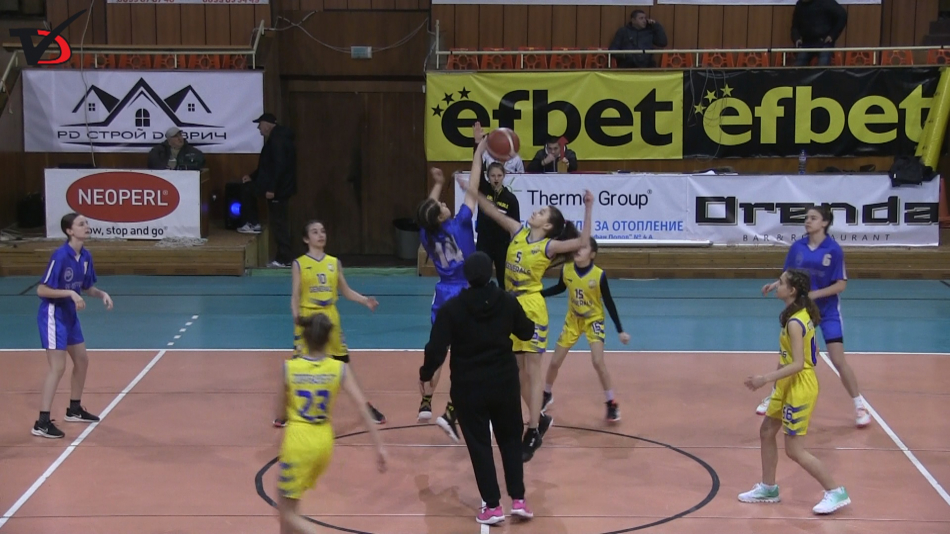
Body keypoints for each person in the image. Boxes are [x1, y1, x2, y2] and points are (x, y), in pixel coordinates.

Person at [472, 185, 594, 462]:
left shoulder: (548, 246)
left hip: (531, 308)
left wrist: (588, 207)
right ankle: (540, 418)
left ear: (547, 225)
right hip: (511, 305)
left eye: (541, 212)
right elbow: (492, 211)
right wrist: (472, 191)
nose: (535, 212)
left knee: (533, 370)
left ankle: (533, 430)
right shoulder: (518, 231)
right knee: (517, 373)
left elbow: (582, 241)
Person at [419, 251, 536, 526]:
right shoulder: (506, 301)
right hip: (504, 382)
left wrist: (425, 374)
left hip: (468, 386)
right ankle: (518, 500)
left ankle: (493, 506)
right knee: (510, 439)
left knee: (479, 444)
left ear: (466, 276)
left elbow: (436, 348)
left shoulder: (452, 309)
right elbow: (527, 331)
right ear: (491, 271)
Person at [740, 269, 851, 515]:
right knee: (766, 431)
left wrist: (764, 379)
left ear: (791, 290)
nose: (776, 285)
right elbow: (812, 350)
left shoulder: (794, 322)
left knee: (794, 450)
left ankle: (835, 491)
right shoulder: (798, 313)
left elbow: (799, 363)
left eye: (780, 282)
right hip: (787, 383)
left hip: (800, 385)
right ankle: (768, 488)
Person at [758, 205, 870, 428]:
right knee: (788, 356)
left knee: (838, 359)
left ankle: (859, 405)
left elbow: (841, 285)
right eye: (807, 218)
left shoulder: (834, 250)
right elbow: (787, 276)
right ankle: (775, 396)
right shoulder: (797, 247)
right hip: (802, 311)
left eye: (813, 218)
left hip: (828, 312)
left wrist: (815, 294)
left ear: (825, 223)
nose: (808, 221)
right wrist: (775, 284)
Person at [276, 313, 387, 534]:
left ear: (304, 338)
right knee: (291, 511)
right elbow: (362, 407)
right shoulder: (338, 369)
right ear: (329, 339)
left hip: (298, 442)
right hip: (324, 442)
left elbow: (279, 414)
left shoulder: (290, 368)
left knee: (286, 512)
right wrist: (380, 446)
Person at [273, 220, 386, 427]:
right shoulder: (299, 264)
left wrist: (365, 300)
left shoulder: (334, 262)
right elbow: (295, 296)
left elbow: (346, 291)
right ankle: (285, 411)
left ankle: (366, 407)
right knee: (297, 366)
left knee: (344, 365)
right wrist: (297, 317)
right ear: (306, 239)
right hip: (308, 317)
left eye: (323, 231)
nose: (320, 235)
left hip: (330, 317)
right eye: (315, 232)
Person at [414, 141, 483, 440]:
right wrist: (479, 152)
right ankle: (452, 411)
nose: (444, 204)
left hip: (442, 293)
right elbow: (474, 187)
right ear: (441, 216)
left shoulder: (426, 233)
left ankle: (426, 402)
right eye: (442, 205)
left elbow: (426, 211)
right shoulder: (461, 224)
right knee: (467, 355)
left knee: (438, 350)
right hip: (465, 292)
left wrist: (438, 184)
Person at [33, 212, 113, 439]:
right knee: (57, 367)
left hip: (70, 316)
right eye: (81, 224)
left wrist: (102, 294)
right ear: (69, 231)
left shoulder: (85, 256)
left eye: (87, 223)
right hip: (53, 315)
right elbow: (41, 289)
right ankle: (41, 422)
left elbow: (87, 287)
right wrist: (70, 293)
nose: (87, 226)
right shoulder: (60, 256)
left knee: (82, 360)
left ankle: (74, 409)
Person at [539, 237, 630, 422]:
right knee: (554, 362)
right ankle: (546, 394)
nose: (579, 249)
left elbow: (609, 302)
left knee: (598, 361)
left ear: (592, 254)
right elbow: (560, 288)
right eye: (578, 246)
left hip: (593, 320)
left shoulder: (598, 275)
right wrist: (539, 294)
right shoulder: (567, 269)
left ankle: (611, 403)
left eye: (584, 247)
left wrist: (620, 330)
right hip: (573, 320)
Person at [238, 113, 297, 269]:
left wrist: (272, 189)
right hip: (278, 188)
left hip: (279, 190)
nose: (258, 129)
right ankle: (253, 223)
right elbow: (267, 166)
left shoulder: (278, 140)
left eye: (260, 125)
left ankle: (285, 258)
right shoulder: (276, 139)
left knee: (279, 224)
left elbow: (279, 167)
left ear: (267, 124)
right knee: (247, 189)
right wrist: (252, 176)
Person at [476, 161, 520, 288]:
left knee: (503, 278)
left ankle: (503, 299)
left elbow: (515, 225)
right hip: (484, 242)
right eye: (493, 176)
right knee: (482, 276)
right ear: (487, 177)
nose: (496, 179)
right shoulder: (483, 190)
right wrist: (478, 149)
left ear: (504, 176)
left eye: (499, 175)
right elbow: (477, 169)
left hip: (502, 244)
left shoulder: (511, 199)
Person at [791, 0, 847, 67]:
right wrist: (796, 39)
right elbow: (795, 27)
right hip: (806, 42)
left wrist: (833, 35)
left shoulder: (826, 2)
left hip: (824, 42)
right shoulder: (800, 5)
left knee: (822, 67)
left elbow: (842, 16)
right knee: (797, 68)